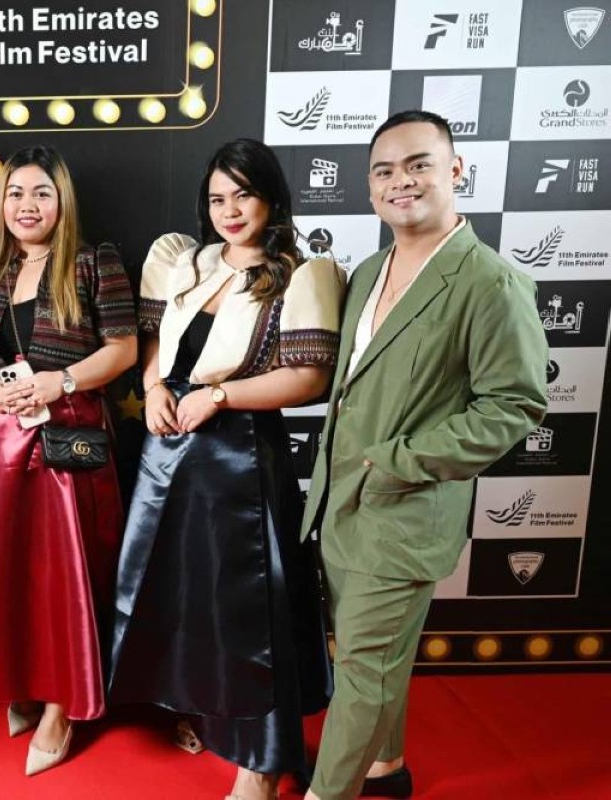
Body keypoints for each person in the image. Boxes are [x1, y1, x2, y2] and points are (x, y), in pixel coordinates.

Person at [301, 110, 548, 800]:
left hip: (405, 512)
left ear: (456, 170)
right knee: (369, 654)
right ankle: (386, 768)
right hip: (342, 503)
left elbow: (515, 406)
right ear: (370, 186)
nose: (400, 181)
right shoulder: (367, 270)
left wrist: (400, 460)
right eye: (384, 171)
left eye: (418, 164)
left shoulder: (490, 282)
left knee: (363, 668)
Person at [108, 138, 341, 800]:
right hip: (167, 452)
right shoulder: (187, 260)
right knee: (179, 594)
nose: (230, 211)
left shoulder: (302, 274)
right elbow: (157, 343)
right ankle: (200, 708)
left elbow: (310, 379)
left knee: (249, 609)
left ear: (272, 199)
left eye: (244, 195)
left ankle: (260, 763)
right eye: (217, 199)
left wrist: (219, 396)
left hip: (240, 454)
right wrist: (154, 385)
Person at [0, 145, 137, 775]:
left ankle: (61, 706)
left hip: (64, 441)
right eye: (16, 193)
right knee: (6, 576)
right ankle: (19, 682)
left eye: (41, 193)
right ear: (0, 202)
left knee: (62, 581)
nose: (27, 205)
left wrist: (62, 381)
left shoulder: (92, 263)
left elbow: (124, 348)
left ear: (61, 201)